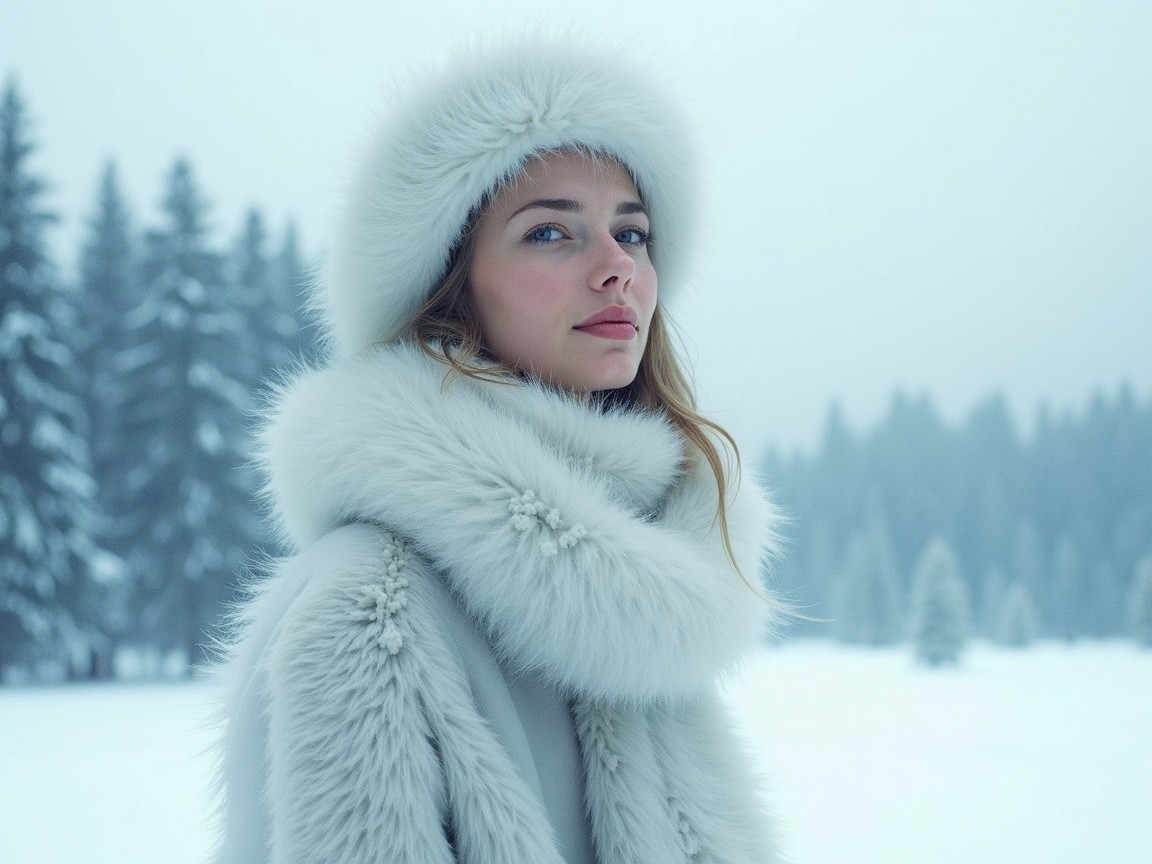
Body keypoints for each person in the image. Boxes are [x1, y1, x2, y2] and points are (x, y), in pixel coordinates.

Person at [207, 40, 788, 864]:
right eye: (551, 232)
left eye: (633, 232)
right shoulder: (372, 613)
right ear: (448, 288)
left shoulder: (646, 592)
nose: (617, 267)